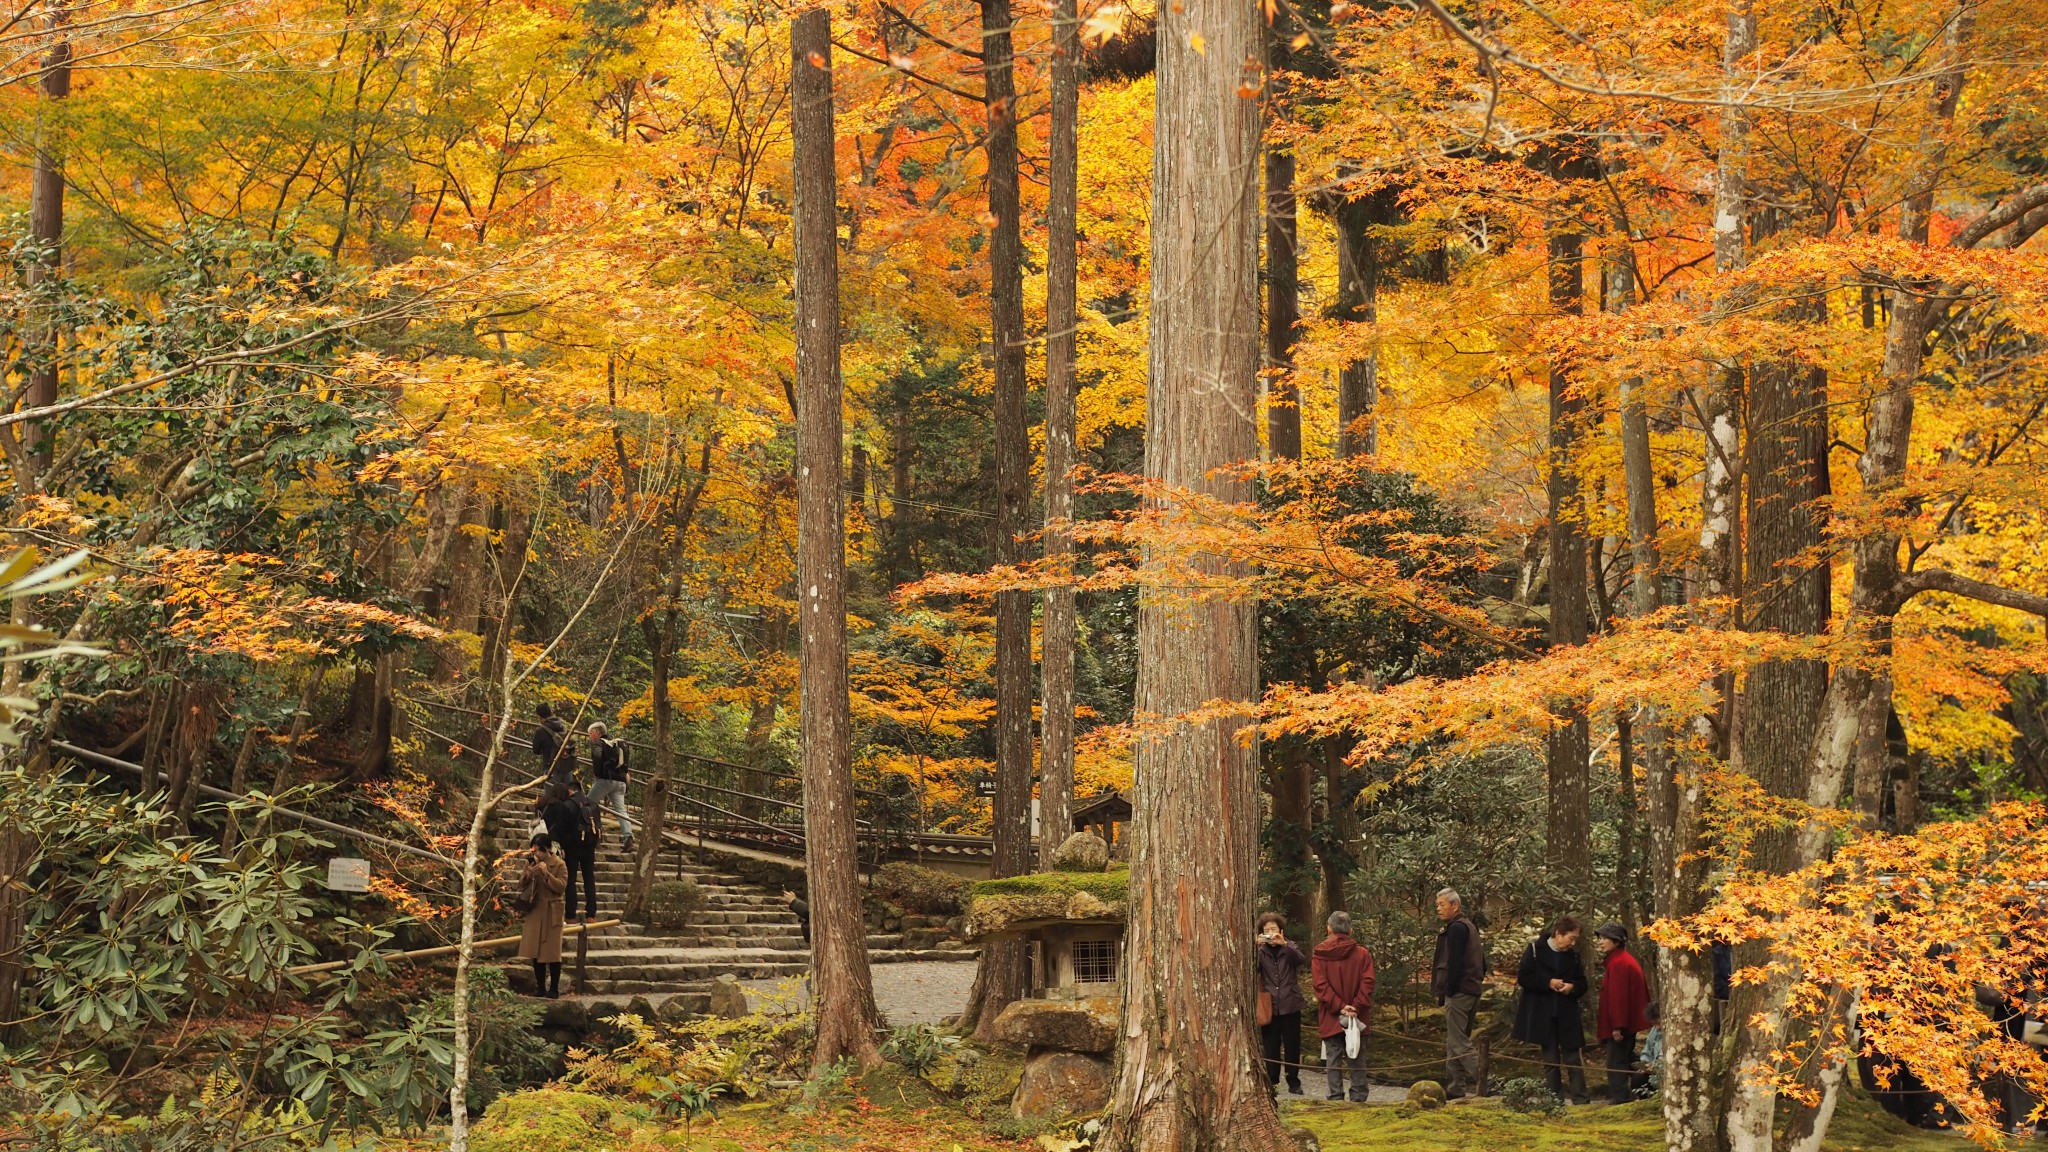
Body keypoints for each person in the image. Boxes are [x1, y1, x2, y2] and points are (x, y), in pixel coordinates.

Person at [1513, 915, 1589, 1105]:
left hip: (1566, 1013)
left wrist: (1573, 987)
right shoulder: (1535, 950)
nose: (1573, 943)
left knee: (1573, 1058)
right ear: (1558, 934)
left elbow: (1582, 982)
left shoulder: (1573, 956)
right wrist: (1547, 982)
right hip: (1543, 1013)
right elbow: (1523, 977)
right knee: (1550, 1060)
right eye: (1571, 938)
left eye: (1575, 939)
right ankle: (1554, 1099)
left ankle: (1580, 1098)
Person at [1311, 910, 1376, 1103]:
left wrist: (1340, 1007)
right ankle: (1358, 1096)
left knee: (1333, 1058)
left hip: (1331, 1015)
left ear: (1329, 929)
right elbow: (1368, 983)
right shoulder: (1362, 954)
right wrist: (1354, 1007)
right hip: (1358, 1016)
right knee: (1357, 1055)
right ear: (1350, 929)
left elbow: (1320, 986)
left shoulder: (1320, 954)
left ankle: (1335, 1096)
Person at [1432, 887, 1487, 1099]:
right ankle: (1455, 1088)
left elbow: (1454, 962)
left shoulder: (1456, 928)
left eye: (1442, 904)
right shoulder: (1469, 927)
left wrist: (1450, 990)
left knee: (1458, 1042)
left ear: (1455, 905)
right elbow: (1483, 962)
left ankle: (1487, 1081)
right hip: (1472, 989)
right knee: (1454, 1040)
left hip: (1460, 991)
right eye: (1437, 905)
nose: (1438, 909)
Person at [1593, 922, 1652, 1105]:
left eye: (1605, 938)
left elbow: (1619, 998)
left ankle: (1621, 1098)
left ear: (1616, 942)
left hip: (1622, 1025)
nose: (1600, 942)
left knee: (1616, 1061)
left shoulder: (1620, 963)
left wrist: (1618, 1026)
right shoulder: (1619, 961)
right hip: (1625, 1023)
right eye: (1600, 938)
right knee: (1624, 1059)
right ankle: (1637, 1092)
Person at [1257, 911, 1308, 1097]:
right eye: (1266, 930)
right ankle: (1273, 1082)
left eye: (1273, 929)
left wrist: (1284, 944)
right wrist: (1255, 948)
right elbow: (1253, 969)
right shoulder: (1260, 951)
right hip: (1269, 1005)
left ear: (1281, 930)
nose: (1271, 933)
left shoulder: (1290, 946)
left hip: (1291, 1003)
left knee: (1292, 1045)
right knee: (1271, 1046)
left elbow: (1301, 960)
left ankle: (1293, 1081)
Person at [514, 833, 567, 998]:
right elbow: (520, 885)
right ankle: (540, 987)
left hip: (552, 911)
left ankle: (554, 989)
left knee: (552, 953)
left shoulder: (560, 864)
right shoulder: (531, 863)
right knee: (536, 951)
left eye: (540, 851)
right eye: (535, 851)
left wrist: (546, 874)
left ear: (547, 849)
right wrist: (529, 873)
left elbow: (561, 887)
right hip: (536, 910)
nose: (537, 854)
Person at [542, 777, 600, 921]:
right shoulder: (594, 804)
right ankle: (591, 913)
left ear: (570, 790)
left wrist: (560, 845)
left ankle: (570, 914)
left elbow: (561, 827)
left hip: (572, 846)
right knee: (589, 878)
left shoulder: (567, 805)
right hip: (589, 846)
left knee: (571, 880)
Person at [586, 722, 634, 852]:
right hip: (620, 782)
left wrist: (598, 772)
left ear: (597, 732)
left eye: (591, 733)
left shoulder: (598, 743)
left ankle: (595, 834)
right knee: (621, 811)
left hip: (605, 780)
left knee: (588, 803)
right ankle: (628, 837)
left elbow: (597, 756)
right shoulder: (617, 743)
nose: (590, 736)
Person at [533, 703, 574, 783]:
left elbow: (536, 750)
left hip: (551, 768)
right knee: (566, 794)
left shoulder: (541, 731)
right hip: (566, 766)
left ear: (539, 716)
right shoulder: (562, 726)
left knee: (551, 794)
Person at [1632, 1001, 1663, 1099]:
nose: (1657, 1027)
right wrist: (1645, 1064)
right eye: (1654, 1024)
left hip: (1664, 1071)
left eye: (1658, 1023)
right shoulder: (1654, 1031)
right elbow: (1647, 1050)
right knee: (1637, 1079)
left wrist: (1657, 1066)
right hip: (1651, 1070)